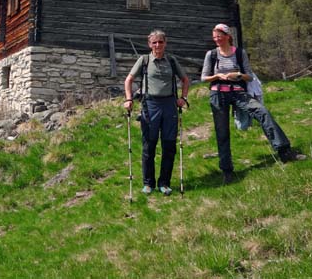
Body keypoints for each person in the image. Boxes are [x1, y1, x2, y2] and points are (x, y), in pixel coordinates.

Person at [201, 23, 296, 184]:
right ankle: (227, 170)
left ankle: (284, 151)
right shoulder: (211, 54)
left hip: (238, 92)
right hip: (218, 95)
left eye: (219, 36)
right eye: (214, 37)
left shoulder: (239, 53)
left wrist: (237, 74)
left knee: (262, 112)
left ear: (227, 36)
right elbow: (204, 77)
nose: (216, 39)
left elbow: (249, 76)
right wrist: (218, 76)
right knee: (222, 132)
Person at [124, 30, 189, 196]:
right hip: (150, 105)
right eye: (154, 42)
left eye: (160, 42)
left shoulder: (172, 61)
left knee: (169, 146)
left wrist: (183, 97)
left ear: (165, 43)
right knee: (149, 145)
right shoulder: (144, 60)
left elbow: (185, 80)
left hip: (169, 105)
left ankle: (164, 183)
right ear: (149, 44)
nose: (158, 45)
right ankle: (148, 183)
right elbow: (129, 79)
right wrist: (129, 99)